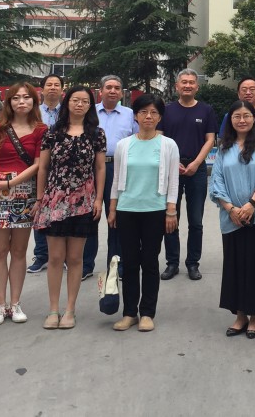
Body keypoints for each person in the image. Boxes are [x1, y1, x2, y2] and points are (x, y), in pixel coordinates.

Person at [32, 86, 106, 330]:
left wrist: (98, 199)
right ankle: (53, 309)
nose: (79, 104)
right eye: (75, 100)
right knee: (55, 258)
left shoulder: (96, 134)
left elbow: (100, 168)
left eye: (85, 101)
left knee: (75, 258)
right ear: (67, 103)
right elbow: (43, 168)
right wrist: (40, 198)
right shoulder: (52, 133)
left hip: (83, 202)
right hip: (55, 201)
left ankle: (70, 309)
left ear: (90, 106)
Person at [210, 101, 255, 339]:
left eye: (246, 116)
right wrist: (230, 208)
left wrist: (251, 204)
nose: (241, 120)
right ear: (230, 120)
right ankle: (240, 315)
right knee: (235, 266)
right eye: (237, 116)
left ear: (254, 119)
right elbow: (217, 180)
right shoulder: (224, 147)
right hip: (231, 217)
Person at [108, 94, 179, 332]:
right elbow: (116, 180)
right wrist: (113, 208)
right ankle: (129, 313)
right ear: (136, 116)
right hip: (127, 209)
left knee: (149, 262)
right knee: (129, 263)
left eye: (154, 112)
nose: (148, 116)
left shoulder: (168, 145)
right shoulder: (124, 145)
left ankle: (147, 312)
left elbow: (173, 181)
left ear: (160, 117)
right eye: (143, 112)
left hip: (155, 210)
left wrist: (171, 210)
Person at [0, 82, 45, 325]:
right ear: (9, 102)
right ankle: (0, 305)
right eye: (16, 98)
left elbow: (39, 164)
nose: (22, 102)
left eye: (26, 97)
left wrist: (12, 183)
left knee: (19, 251)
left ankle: (15, 303)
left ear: (34, 101)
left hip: (24, 192)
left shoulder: (41, 129)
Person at [160, 68, 217, 281]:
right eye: (184, 82)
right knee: (170, 218)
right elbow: (160, 138)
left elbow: (210, 140)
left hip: (197, 169)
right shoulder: (166, 110)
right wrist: (172, 162)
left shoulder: (206, 110)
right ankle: (172, 263)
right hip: (171, 169)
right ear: (177, 86)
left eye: (191, 82)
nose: (187, 85)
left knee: (196, 221)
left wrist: (196, 163)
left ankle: (193, 263)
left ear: (197, 87)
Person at [82, 75, 138, 280]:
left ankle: (116, 266)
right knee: (90, 216)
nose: (113, 91)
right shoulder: (89, 112)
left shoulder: (130, 114)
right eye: (109, 87)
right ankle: (85, 265)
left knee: (116, 218)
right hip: (91, 168)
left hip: (118, 167)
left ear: (122, 93)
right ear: (100, 91)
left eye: (117, 88)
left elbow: (137, 140)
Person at [28, 73, 63, 274]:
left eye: (57, 84)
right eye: (49, 84)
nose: (53, 88)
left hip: (62, 167)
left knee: (61, 209)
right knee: (39, 208)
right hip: (37, 164)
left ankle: (60, 255)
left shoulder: (67, 112)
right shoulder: (34, 112)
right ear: (41, 89)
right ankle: (41, 255)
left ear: (62, 90)